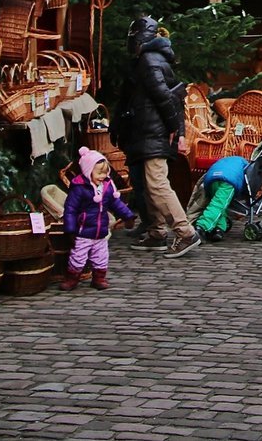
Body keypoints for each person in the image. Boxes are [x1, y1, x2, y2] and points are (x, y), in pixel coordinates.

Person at [120, 18, 200, 258]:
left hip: (153, 132)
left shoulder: (149, 61)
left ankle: (185, 233)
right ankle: (157, 233)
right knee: (149, 184)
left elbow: (166, 97)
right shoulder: (151, 59)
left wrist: (178, 130)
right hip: (148, 131)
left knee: (157, 184)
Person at [61, 147, 137, 290]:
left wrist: (128, 216)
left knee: (101, 257)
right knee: (78, 256)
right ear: (88, 171)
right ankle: (72, 278)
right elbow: (70, 209)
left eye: (105, 172)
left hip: (101, 230)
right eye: (99, 173)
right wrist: (70, 228)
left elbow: (116, 204)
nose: (103, 176)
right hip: (84, 231)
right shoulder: (79, 188)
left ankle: (99, 278)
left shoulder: (107, 187)